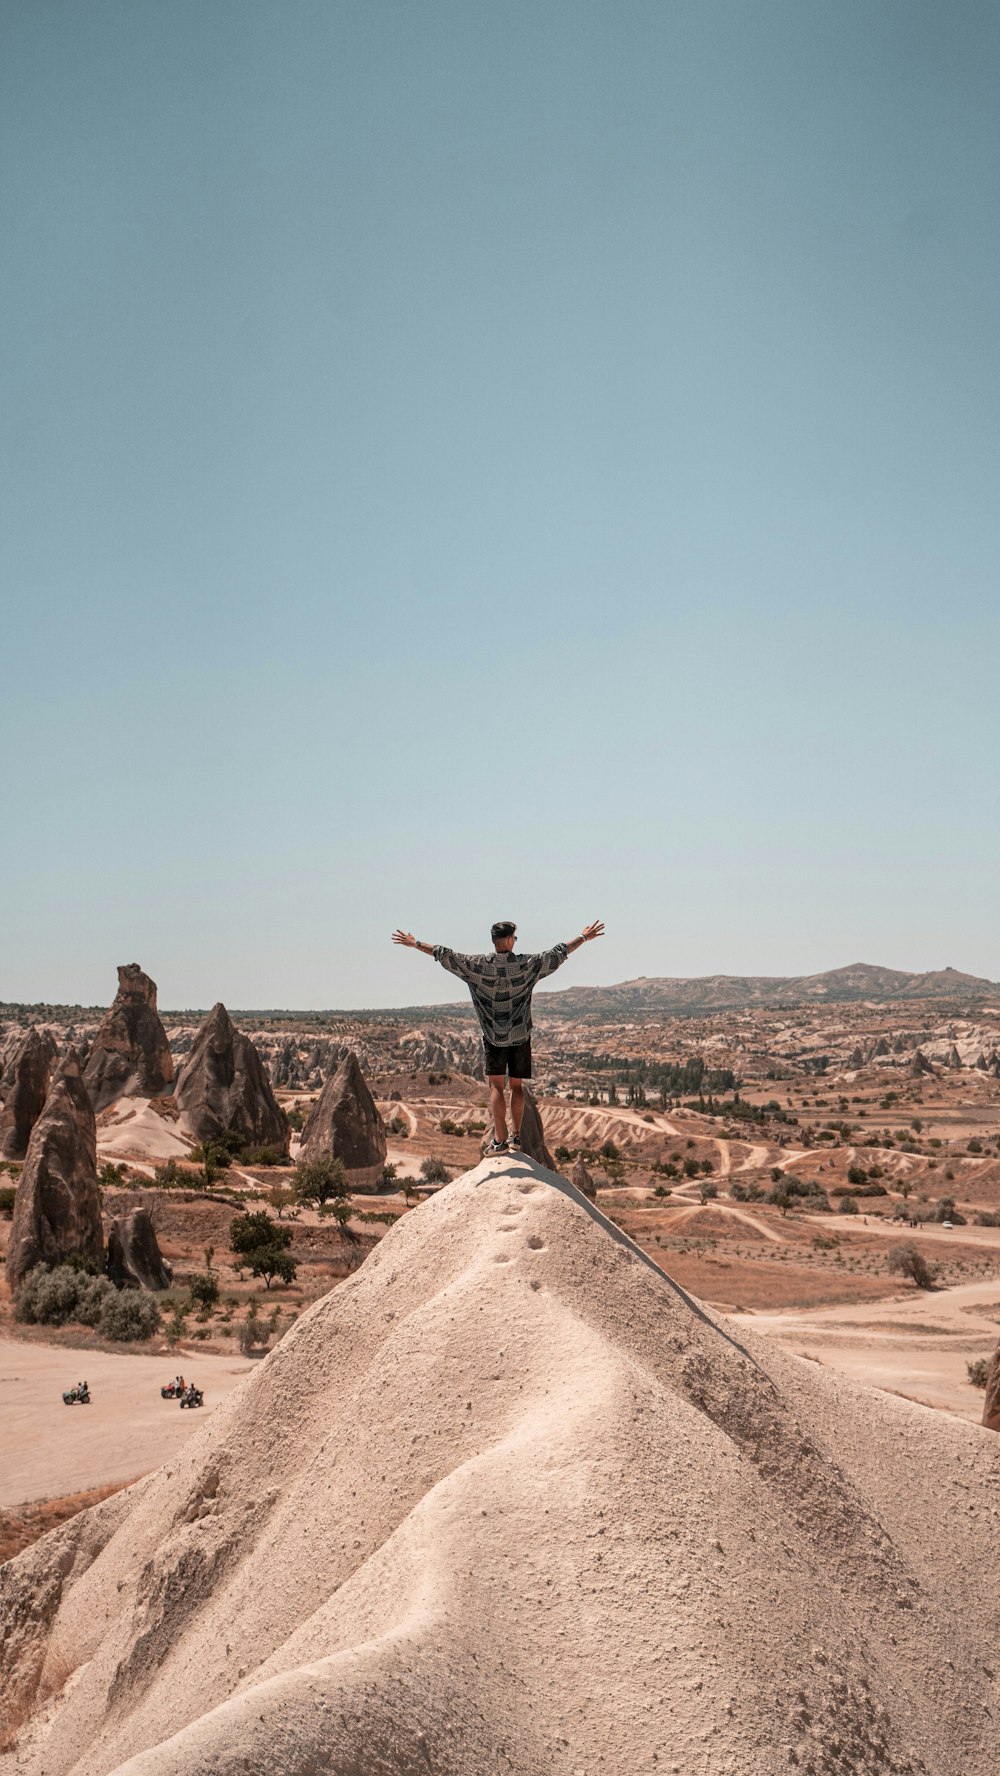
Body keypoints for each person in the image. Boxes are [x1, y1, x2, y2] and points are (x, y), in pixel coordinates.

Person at [392, 918, 605, 1154]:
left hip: (493, 1036)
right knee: (516, 1086)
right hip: (520, 1035)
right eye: (515, 937)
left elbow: (444, 954)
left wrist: (416, 943)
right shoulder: (527, 965)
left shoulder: (478, 966)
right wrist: (584, 937)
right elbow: (558, 953)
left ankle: (500, 1140)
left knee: (495, 1086)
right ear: (509, 940)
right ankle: (516, 1137)